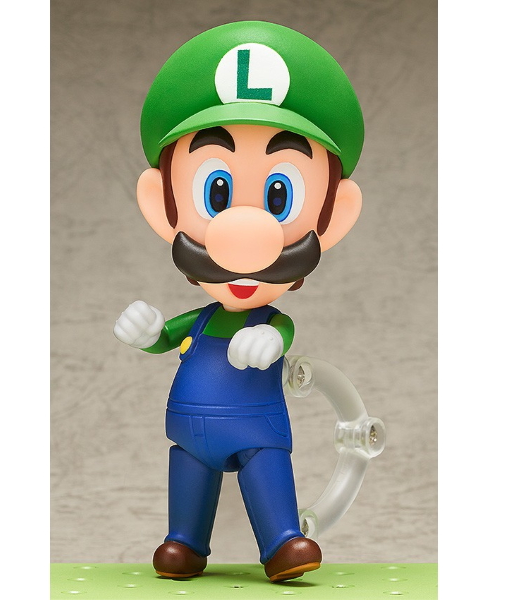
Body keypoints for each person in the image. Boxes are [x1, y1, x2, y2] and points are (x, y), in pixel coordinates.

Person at [114, 20, 364, 583]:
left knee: (266, 470)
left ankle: (282, 541)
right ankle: (184, 541)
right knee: (188, 477)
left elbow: (281, 333)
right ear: (161, 205)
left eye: (280, 195)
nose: (244, 237)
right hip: (190, 436)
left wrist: (271, 337)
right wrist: (149, 333)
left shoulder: (273, 322)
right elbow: (166, 338)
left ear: (333, 217)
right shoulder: (199, 321)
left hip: (257, 434)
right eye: (217, 192)